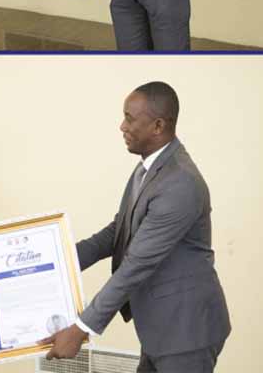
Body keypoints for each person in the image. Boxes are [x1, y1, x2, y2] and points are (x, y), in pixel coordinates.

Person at [42, 82, 230, 372]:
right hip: (161, 327)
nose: (121, 126)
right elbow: (118, 232)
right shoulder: (149, 167)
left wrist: (81, 329)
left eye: (130, 118)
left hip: (187, 331)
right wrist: (57, 262)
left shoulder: (179, 182)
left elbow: (136, 264)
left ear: (157, 126)